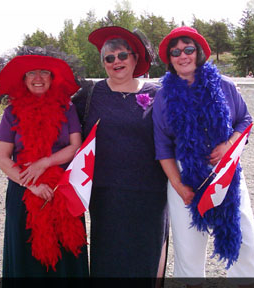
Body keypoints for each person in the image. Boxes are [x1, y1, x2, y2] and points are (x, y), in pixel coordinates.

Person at [152, 27, 254, 287]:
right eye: (175, 52)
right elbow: (163, 146)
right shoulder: (163, 96)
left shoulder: (224, 85)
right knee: (189, 245)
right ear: (170, 59)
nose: (182, 56)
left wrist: (229, 145)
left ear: (198, 53)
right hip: (185, 174)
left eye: (188, 49)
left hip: (227, 172)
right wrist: (179, 186)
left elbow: (244, 120)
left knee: (243, 237)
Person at [72, 26, 169, 284]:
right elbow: (62, 123)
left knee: (146, 260)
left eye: (123, 55)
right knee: (107, 260)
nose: (117, 62)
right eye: (109, 58)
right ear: (103, 63)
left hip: (150, 193)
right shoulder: (89, 94)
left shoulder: (159, 94)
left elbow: (180, 132)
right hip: (105, 195)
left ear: (135, 59)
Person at [0, 46, 89, 285]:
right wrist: (31, 183)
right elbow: (3, 159)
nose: (38, 78)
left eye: (44, 72)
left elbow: (75, 147)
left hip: (62, 190)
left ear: (52, 77)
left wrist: (45, 162)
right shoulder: (11, 113)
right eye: (31, 73)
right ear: (23, 79)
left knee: (67, 253)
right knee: (27, 259)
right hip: (24, 191)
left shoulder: (67, 108)